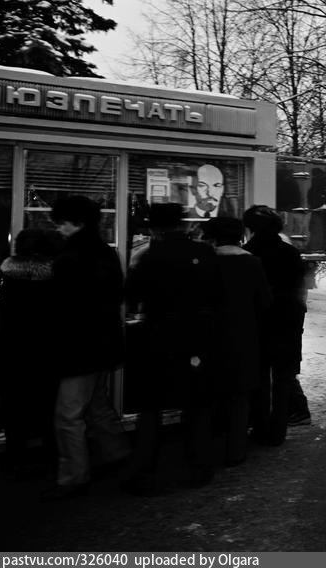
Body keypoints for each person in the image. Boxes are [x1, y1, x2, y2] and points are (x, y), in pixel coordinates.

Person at [122, 202, 221, 494]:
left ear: (154, 228)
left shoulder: (147, 257)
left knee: (151, 405)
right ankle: (200, 464)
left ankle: (146, 467)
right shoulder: (203, 253)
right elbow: (217, 294)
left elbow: (132, 296)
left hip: (159, 337)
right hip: (197, 338)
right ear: (183, 225)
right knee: (197, 404)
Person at [43, 196, 130, 501]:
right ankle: (116, 454)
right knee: (97, 404)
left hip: (77, 346)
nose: (59, 228)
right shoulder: (104, 252)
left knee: (68, 414)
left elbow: (61, 305)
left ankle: (74, 476)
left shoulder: (69, 257)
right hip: (103, 342)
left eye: (62, 222)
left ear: (76, 222)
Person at [200, 217, 272, 467]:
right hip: (244, 336)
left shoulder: (205, 262)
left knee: (208, 395)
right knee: (240, 397)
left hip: (208, 336)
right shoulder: (252, 263)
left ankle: (205, 450)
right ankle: (236, 451)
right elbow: (264, 302)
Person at [0, 229, 63, 477]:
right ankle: (51, 459)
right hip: (46, 350)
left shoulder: (6, 273)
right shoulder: (55, 276)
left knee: (14, 410)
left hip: (13, 349)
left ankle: (15, 460)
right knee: (48, 408)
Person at [243, 205, 311, 445]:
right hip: (288, 324)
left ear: (251, 227)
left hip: (259, 324)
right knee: (283, 379)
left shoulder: (248, 253)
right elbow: (300, 291)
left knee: (260, 378)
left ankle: (260, 428)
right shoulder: (289, 253)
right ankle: (278, 432)